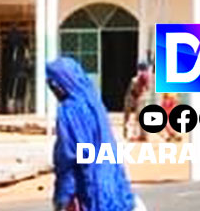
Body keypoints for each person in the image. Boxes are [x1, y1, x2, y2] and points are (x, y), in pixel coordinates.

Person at [47, 57, 141, 211]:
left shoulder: (69, 111)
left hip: (90, 189)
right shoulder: (94, 103)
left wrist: (64, 198)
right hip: (115, 185)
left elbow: (69, 157)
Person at [123, 61, 152, 142]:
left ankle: (142, 135)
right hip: (132, 98)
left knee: (139, 117)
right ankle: (128, 133)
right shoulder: (136, 80)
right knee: (129, 116)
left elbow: (146, 88)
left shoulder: (145, 78)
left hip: (139, 98)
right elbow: (133, 91)